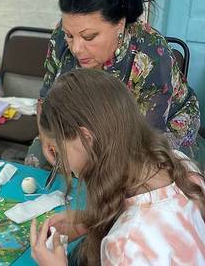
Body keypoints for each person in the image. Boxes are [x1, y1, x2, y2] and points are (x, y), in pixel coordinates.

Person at [29, 69, 205, 265]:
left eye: (57, 150)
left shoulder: (125, 246)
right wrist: (91, 221)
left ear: (86, 139)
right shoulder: (180, 164)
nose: (61, 162)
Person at [25, 0, 202, 169]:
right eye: (70, 35)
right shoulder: (61, 37)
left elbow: (143, 140)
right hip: (86, 123)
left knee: (129, 175)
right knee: (39, 158)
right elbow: (47, 97)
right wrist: (47, 136)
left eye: (89, 37)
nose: (76, 48)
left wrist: (83, 153)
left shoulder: (151, 56)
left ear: (120, 23)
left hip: (148, 133)